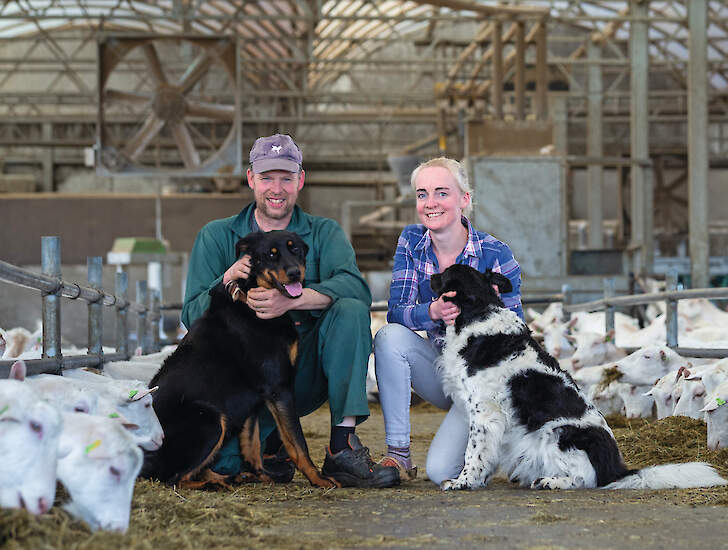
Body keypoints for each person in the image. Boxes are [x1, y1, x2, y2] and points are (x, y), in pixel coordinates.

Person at [181, 133, 399, 488]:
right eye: (267, 177)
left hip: (303, 372)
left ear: (301, 180)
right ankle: (271, 447)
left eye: (286, 177)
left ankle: (342, 447)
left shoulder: (324, 233)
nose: (276, 188)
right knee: (222, 464)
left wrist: (295, 299)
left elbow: (357, 289)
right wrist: (226, 282)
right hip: (239, 383)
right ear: (251, 179)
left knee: (349, 311)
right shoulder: (217, 236)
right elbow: (191, 316)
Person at [373, 157, 523, 484]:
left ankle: (491, 440)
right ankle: (398, 454)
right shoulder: (412, 242)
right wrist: (432, 312)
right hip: (442, 372)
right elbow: (396, 311)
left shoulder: (496, 254)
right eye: (422, 194)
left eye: (442, 193)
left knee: (440, 472)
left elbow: (516, 334)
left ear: (464, 199)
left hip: (481, 379)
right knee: (389, 337)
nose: (430, 203)